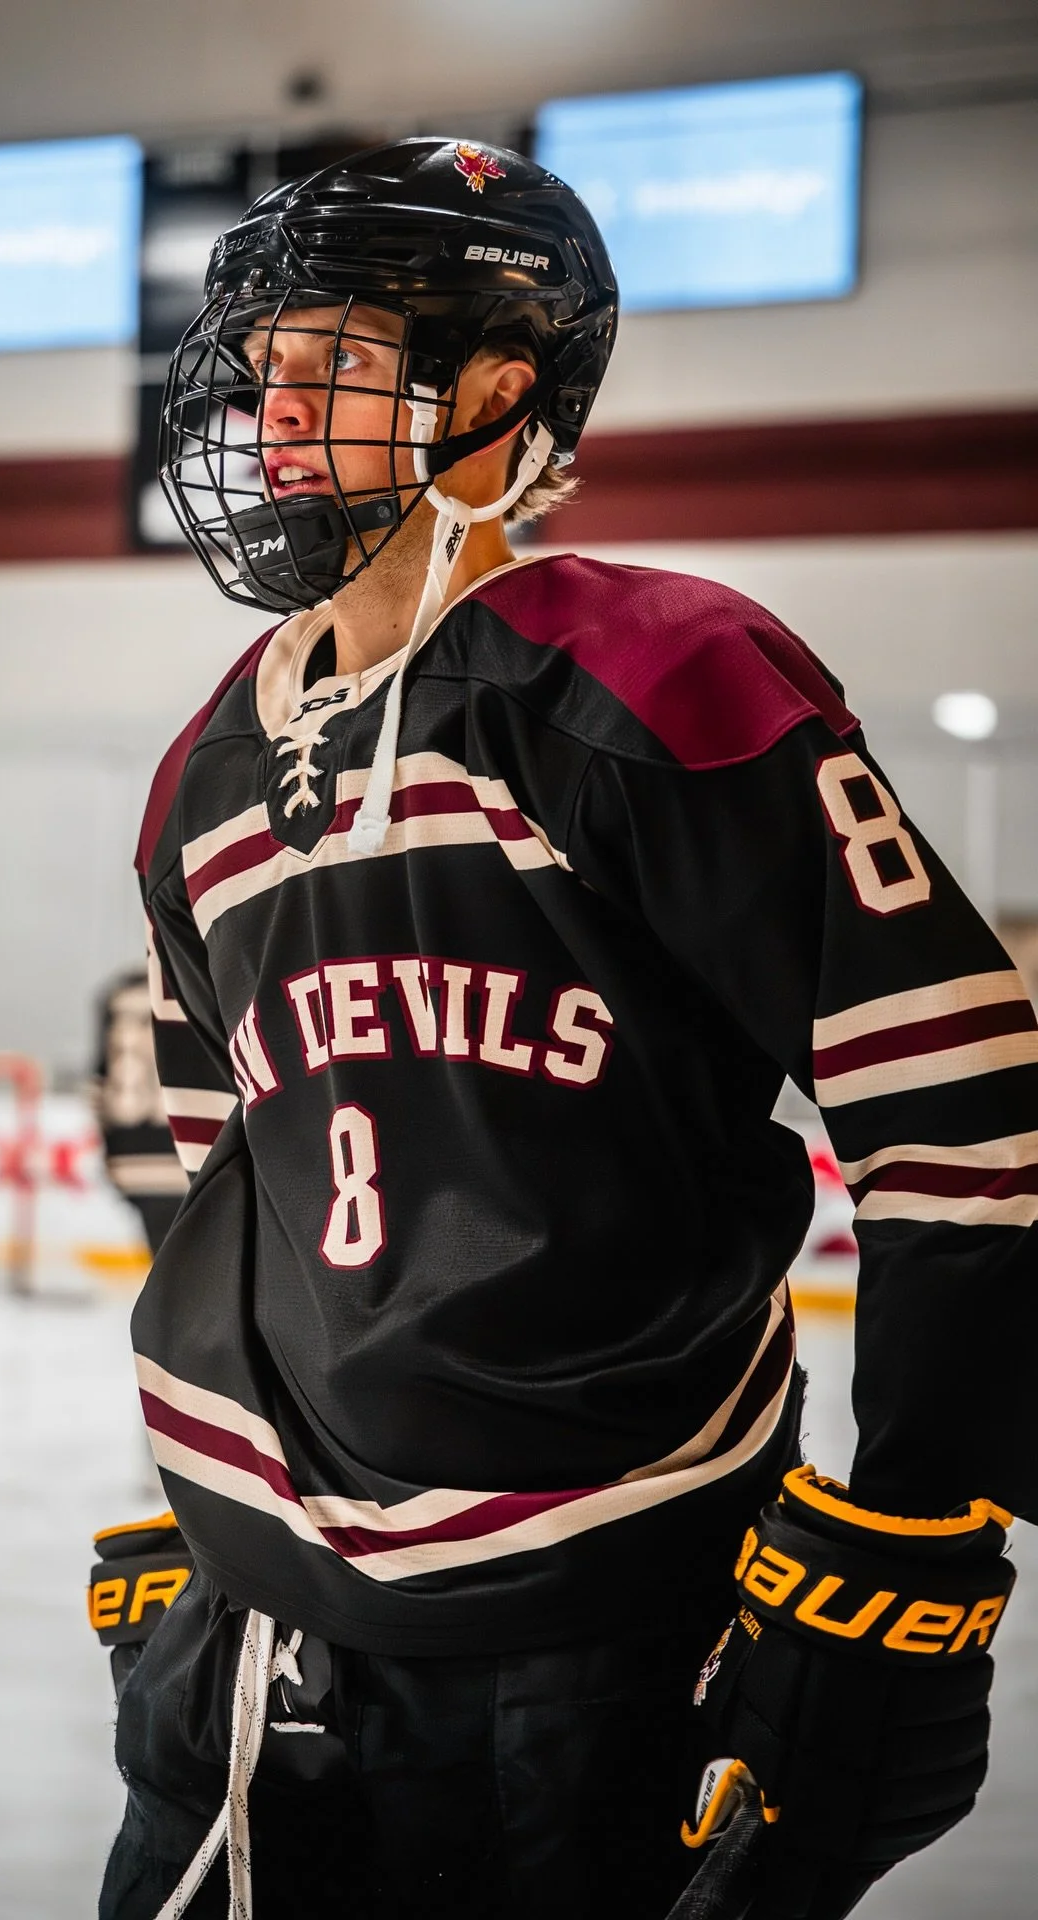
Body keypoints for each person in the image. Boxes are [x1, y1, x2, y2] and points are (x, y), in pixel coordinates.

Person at [98, 138, 1036, 1919]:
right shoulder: (203, 774)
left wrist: (912, 1521)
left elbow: (967, 1125)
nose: (273, 411)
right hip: (263, 1622)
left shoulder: (663, 674)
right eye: (261, 365)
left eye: (334, 359)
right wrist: (188, 1486)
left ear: (495, 389)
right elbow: (213, 1177)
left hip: (607, 1606)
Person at [91, 967, 188, 1254]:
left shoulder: (116, 994)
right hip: (180, 1161)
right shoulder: (186, 987)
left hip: (130, 1158)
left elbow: (99, 1077)